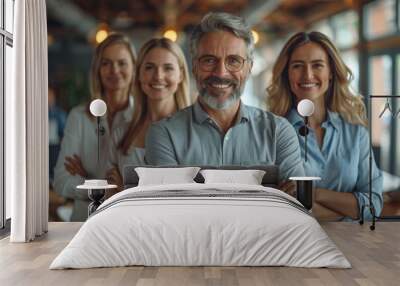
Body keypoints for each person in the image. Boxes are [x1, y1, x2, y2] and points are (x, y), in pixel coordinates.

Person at [145, 12, 304, 185]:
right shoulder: (164, 135)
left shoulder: (279, 132)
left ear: (249, 68)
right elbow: (170, 206)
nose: (221, 72)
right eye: (209, 60)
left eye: (233, 61)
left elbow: (294, 205)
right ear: (194, 67)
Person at [266, 31, 383, 221]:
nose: (308, 75)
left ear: (330, 73)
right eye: (297, 66)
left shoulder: (355, 134)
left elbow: (373, 205)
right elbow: (277, 210)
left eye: (317, 65)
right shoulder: (271, 134)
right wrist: (349, 209)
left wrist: (313, 193)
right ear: (287, 74)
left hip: (353, 247)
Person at [54, 33, 136, 221]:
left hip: (127, 223)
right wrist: (106, 189)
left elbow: (143, 185)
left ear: (134, 67)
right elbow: (61, 181)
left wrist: (88, 180)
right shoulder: (79, 116)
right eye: (106, 63)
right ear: (97, 69)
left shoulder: (143, 119)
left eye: (122, 63)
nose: (114, 70)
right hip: (84, 223)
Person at [105, 38, 191, 188]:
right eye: (150, 67)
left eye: (168, 68)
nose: (158, 76)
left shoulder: (195, 133)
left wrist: (123, 190)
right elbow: (108, 191)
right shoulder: (121, 133)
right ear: (138, 74)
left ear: (181, 75)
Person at [48, 85, 67, 184]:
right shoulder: (35, 113)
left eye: (50, 95)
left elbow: (65, 132)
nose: (48, 98)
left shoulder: (59, 114)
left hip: (55, 147)